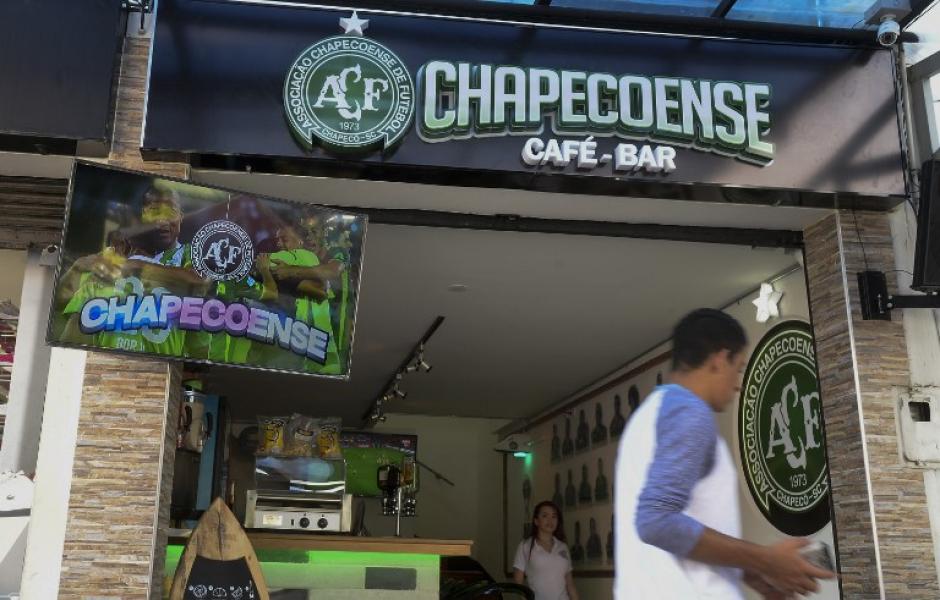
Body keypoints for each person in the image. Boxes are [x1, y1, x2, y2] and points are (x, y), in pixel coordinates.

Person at [615, 308, 835, 599]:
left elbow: (680, 522)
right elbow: (656, 521)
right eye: (740, 367)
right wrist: (765, 559)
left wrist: (747, 571)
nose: (738, 384)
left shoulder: (645, 417)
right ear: (720, 359)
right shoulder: (689, 412)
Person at [513, 501, 581, 600]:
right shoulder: (525, 546)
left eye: (554, 516)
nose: (550, 520)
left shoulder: (563, 547)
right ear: (536, 521)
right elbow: (518, 584)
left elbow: (570, 585)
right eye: (545, 516)